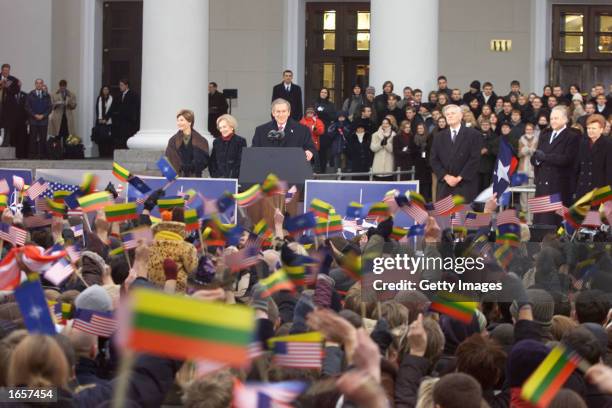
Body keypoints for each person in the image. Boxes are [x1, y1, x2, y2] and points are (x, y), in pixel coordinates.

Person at [531, 105, 580, 225]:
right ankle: (538, 242)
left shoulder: (572, 136)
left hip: (557, 185)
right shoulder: (545, 134)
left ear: (565, 120)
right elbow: (536, 156)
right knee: (539, 222)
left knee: (553, 222)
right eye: (551, 118)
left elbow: (567, 159)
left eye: (556, 118)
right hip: (542, 183)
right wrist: (536, 159)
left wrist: (545, 157)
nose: (553, 121)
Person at [430, 104, 482, 202]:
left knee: (464, 216)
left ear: (461, 116)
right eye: (447, 114)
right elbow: (433, 159)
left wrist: (459, 178)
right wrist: (445, 176)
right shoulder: (438, 137)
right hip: (445, 185)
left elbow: (475, 159)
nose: (449, 116)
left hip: (465, 184)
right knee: (445, 216)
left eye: (452, 113)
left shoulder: (474, 135)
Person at [252, 98, 316, 164]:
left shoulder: (302, 130)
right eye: (278, 111)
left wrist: (309, 152)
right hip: (269, 170)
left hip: (293, 169)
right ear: (273, 113)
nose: (281, 115)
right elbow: (254, 152)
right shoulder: (261, 131)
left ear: (289, 112)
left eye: (284, 111)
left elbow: (311, 147)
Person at [573, 114, 612, 200]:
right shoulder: (583, 143)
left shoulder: (608, 144)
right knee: (580, 214)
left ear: (601, 129)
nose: (590, 131)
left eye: (593, 128)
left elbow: (609, 172)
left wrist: (606, 194)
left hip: (599, 191)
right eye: (588, 128)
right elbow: (578, 167)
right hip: (582, 189)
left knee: (595, 214)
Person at [165, 109, 210, 178]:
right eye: (178, 120)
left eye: (182, 120)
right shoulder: (173, 140)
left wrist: (192, 167)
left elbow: (204, 160)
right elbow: (168, 159)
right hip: (177, 179)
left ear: (189, 122)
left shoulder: (201, 140)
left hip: (194, 178)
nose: (178, 123)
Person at [209, 114, 247, 179]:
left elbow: (241, 161)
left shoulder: (240, 141)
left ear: (232, 127)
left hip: (234, 179)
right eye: (220, 128)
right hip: (218, 179)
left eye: (224, 127)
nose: (222, 130)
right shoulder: (216, 142)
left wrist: (232, 175)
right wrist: (215, 175)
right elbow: (212, 161)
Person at [25, 78, 52, 159]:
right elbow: (27, 107)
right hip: (33, 120)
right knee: (32, 138)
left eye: (40, 83)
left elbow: (50, 107)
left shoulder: (46, 95)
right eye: (37, 83)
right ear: (35, 84)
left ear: (42, 84)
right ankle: (32, 155)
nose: (39, 85)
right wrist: (34, 115)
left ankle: (42, 155)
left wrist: (43, 115)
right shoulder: (30, 94)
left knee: (43, 139)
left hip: (43, 121)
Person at [518, 122, 539, 219]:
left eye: (530, 129)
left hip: (533, 170)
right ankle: (524, 214)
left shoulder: (537, 140)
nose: (529, 131)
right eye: (527, 129)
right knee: (523, 193)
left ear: (533, 130)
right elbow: (519, 154)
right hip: (523, 170)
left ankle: (531, 215)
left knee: (532, 193)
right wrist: (524, 151)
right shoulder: (521, 139)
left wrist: (533, 151)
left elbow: (538, 153)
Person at [313, 87, 336, 172]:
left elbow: (333, 116)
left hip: (326, 129)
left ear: (328, 94)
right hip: (315, 129)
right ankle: (315, 168)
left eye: (325, 92)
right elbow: (311, 114)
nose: (323, 94)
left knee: (323, 149)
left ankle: (323, 169)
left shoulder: (331, 105)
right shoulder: (315, 103)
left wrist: (323, 113)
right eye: (322, 92)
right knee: (315, 149)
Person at [114, 78, 139, 149]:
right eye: (120, 85)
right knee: (121, 139)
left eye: (122, 85)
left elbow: (135, 107)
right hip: (121, 122)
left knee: (128, 138)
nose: (120, 87)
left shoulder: (133, 94)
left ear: (126, 86)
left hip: (129, 122)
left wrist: (133, 118)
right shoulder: (119, 96)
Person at [412, 122, 434, 201]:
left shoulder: (429, 137)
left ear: (425, 129)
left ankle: (427, 199)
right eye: (418, 128)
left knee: (427, 182)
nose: (420, 130)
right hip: (418, 163)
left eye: (421, 128)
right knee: (419, 181)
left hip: (427, 164)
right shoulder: (414, 138)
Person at [0, 63, 19, 147]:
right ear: (1, 70)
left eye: (7, 71)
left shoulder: (13, 79)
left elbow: (16, 91)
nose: (6, 72)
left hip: (8, 107)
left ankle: (6, 142)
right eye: (4, 70)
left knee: (7, 125)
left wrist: (7, 87)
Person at [477, 119, 499, 193]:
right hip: (478, 166)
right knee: (478, 186)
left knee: (487, 186)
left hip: (489, 165)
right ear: (481, 126)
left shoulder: (495, 136)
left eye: (487, 125)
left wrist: (487, 151)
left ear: (490, 126)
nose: (485, 126)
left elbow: (496, 150)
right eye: (483, 125)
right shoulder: (476, 135)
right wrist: (478, 151)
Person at [94, 85, 115, 158]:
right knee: (100, 138)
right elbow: (97, 109)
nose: (105, 91)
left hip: (108, 121)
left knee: (108, 138)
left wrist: (105, 119)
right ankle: (101, 154)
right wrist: (100, 119)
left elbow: (111, 110)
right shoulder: (99, 98)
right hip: (100, 122)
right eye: (104, 89)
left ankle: (108, 154)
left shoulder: (111, 98)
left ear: (109, 90)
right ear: (102, 90)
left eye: (107, 89)